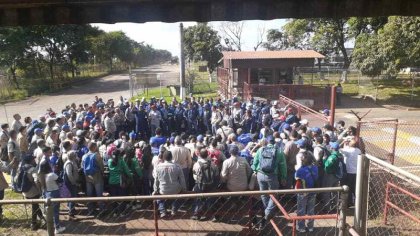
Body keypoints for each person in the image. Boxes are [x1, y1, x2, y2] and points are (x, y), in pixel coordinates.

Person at [252, 136, 287, 230]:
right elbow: (283, 166)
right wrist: (284, 176)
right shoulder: (279, 151)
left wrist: (255, 169)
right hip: (272, 176)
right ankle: (268, 212)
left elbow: (255, 163)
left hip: (260, 174)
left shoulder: (261, 149)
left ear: (267, 142)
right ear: (274, 142)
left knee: (263, 194)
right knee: (274, 194)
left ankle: (267, 210)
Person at [153, 150, 186, 218]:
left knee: (159, 198)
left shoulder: (158, 167)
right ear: (171, 157)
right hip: (175, 190)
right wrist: (184, 189)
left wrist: (155, 190)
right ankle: (174, 210)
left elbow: (156, 180)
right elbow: (182, 179)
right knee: (178, 196)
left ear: (164, 158)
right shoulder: (177, 166)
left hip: (163, 190)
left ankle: (162, 211)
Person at [191, 147, 220, 221]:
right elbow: (216, 174)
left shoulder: (196, 164)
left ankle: (196, 214)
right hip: (211, 185)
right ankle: (213, 215)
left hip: (200, 185)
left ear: (199, 155)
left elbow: (194, 177)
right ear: (207, 155)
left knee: (197, 198)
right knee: (211, 199)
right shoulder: (212, 164)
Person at [40, 157, 66, 234]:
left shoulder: (41, 176)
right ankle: (57, 228)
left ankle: (51, 227)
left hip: (46, 193)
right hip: (54, 193)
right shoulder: (51, 175)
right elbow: (61, 180)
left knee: (49, 211)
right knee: (55, 211)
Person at [20, 154, 46, 230]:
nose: (34, 160)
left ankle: (41, 220)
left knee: (35, 206)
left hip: (24, 191)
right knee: (35, 206)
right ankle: (33, 223)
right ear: (31, 161)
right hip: (32, 191)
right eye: (33, 159)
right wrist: (40, 190)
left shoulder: (21, 167)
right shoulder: (32, 169)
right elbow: (36, 180)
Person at [295, 152, 319, 233]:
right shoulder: (315, 168)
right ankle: (310, 227)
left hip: (303, 192)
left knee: (301, 210)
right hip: (313, 191)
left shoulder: (300, 170)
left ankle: (301, 227)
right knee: (311, 210)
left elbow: (296, 177)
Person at [108, 149, 133, 217]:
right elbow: (127, 171)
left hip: (111, 181)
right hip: (120, 181)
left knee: (113, 198)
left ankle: (115, 213)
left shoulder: (109, 161)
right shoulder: (121, 161)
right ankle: (122, 212)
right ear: (119, 155)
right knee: (122, 197)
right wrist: (131, 176)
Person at [81, 142, 105, 216]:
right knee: (99, 194)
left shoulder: (84, 156)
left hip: (88, 177)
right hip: (97, 177)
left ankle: (90, 210)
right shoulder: (97, 155)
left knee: (89, 194)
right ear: (94, 147)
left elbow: (82, 167)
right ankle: (101, 210)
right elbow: (102, 167)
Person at [340, 140, 361, 207]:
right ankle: (356, 202)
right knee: (355, 187)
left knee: (347, 187)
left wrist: (344, 143)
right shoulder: (358, 150)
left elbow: (340, 150)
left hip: (349, 172)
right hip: (356, 172)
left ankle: (348, 202)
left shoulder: (348, 151)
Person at [321, 142, 341, 212]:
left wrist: (324, 160)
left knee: (326, 192)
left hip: (330, 175)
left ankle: (327, 208)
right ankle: (336, 207)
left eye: (331, 146)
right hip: (337, 175)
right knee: (335, 192)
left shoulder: (332, 157)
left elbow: (327, 166)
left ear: (332, 148)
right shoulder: (340, 155)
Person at [63, 151, 79, 219]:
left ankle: (72, 209)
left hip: (72, 182)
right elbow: (69, 174)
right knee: (72, 197)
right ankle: (71, 213)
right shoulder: (69, 163)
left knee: (73, 196)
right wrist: (73, 182)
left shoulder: (72, 162)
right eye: (75, 155)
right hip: (70, 183)